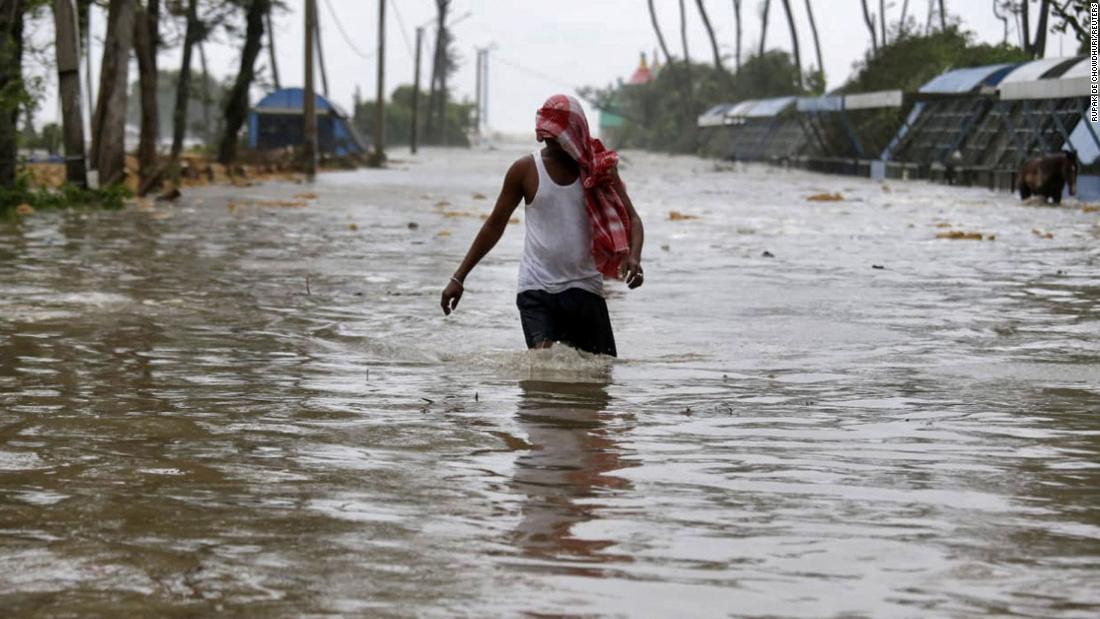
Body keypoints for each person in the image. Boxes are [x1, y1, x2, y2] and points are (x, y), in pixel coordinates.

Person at [440, 94, 644, 357]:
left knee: (599, 376)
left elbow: (633, 219)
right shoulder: (525, 170)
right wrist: (459, 277)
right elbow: (494, 225)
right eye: (547, 135)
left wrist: (635, 257)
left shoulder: (599, 171)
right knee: (544, 370)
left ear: (576, 133)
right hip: (536, 290)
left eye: (558, 135)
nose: (551, 141)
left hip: (584, 289)